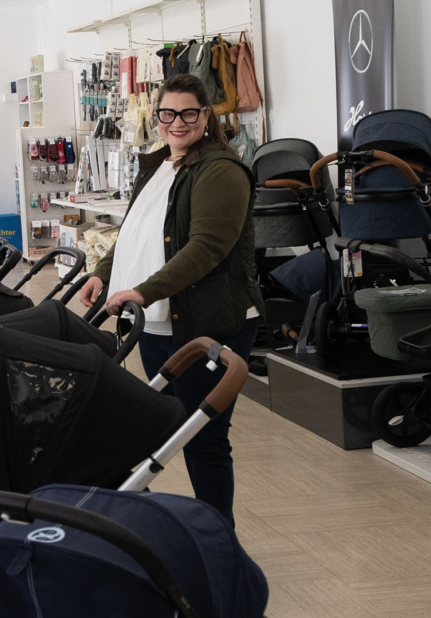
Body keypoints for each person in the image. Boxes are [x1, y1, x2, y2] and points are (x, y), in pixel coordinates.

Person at [79, 74, 264, 527]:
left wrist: (143, 290)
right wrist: (104, 274)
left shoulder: (221, 171)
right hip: (159, 322)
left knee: (204, 438)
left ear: (206, 117)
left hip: (209, 322)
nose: (176, 123)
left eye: (188, 113)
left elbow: (206, 248)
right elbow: (137, 236)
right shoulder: (159, 164)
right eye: (167, 113)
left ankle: (219, 540)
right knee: (170, 427)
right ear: (157, 116)